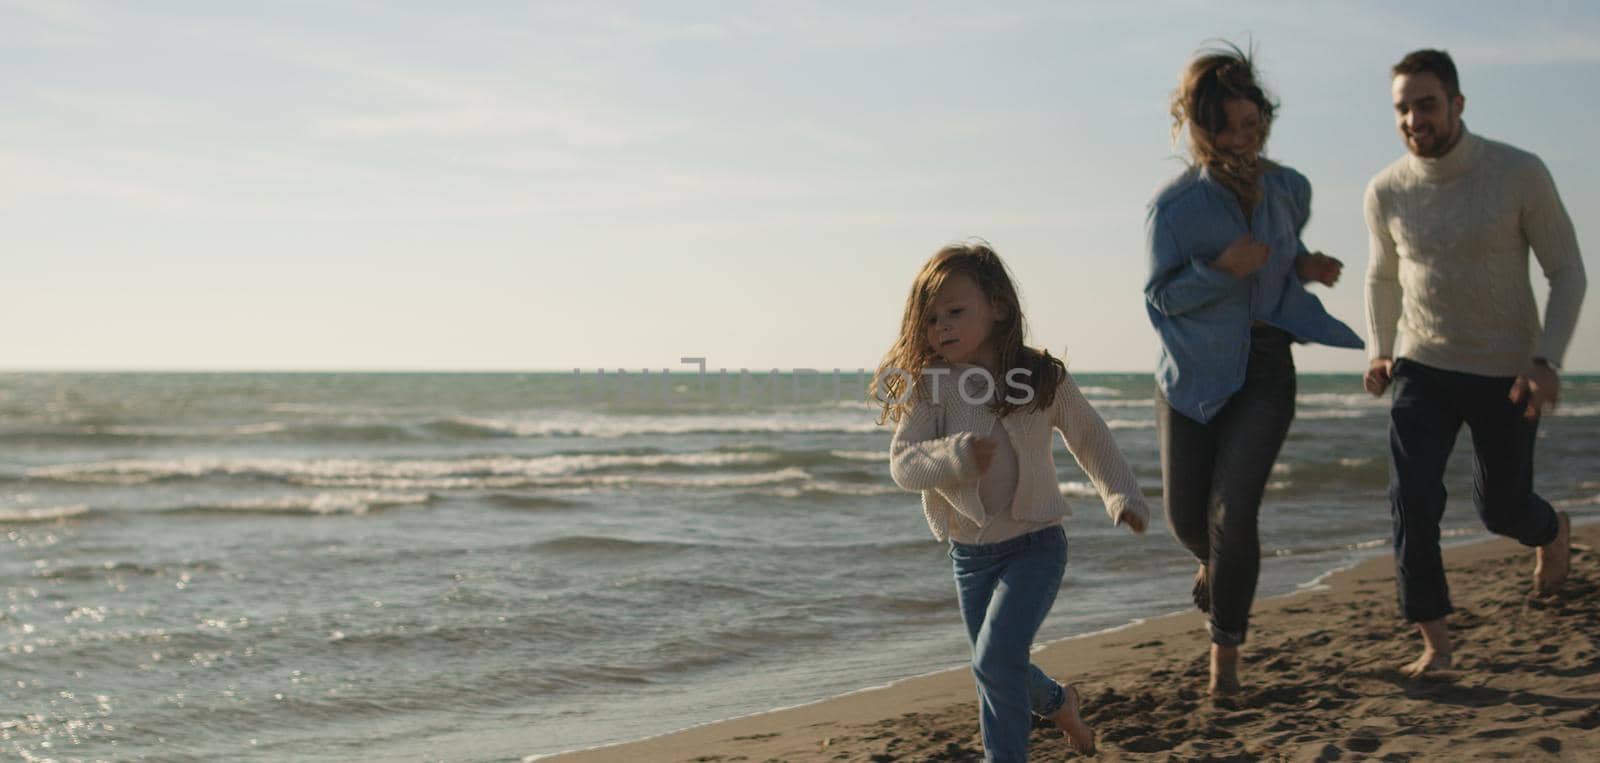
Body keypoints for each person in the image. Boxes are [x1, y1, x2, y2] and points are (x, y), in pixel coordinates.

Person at [1144, 42, 1363, 696]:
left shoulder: (1290, 188)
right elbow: (1160, 296)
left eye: (1255, 124)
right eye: (1232, 127)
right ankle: (1219, 567)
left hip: (1267, 365)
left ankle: (1226, 656)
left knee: (1234, 514)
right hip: (1191, 373)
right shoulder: (1175, 208)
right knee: (1191, 522)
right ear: (1200, 127)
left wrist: (1305, 266)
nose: (1246, 138)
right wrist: (1220, 271)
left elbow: (1279, 258)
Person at [875, 241, 1148, 761]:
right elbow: (903, 463)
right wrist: (954, 457)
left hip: (1036, 546)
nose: (942, 327)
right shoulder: (931, 388)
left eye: (955, 312)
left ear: (998, 306)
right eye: (931, 318)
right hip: (970, 558)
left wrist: (1121, 494)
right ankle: (1058, 701)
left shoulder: (1041, 377)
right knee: (997, 665)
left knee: (995, 661)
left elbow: (1088, 435)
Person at [1362, 48, 1583, 677]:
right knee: (1411, 499)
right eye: (1402, 108)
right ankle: (1435, 642)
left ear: (1457, 104)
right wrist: (1381, 348)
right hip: (1422, 363)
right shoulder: (1385, 190)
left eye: (1425, 104)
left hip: (1507, 369)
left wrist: (1547, 361)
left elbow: (1567, 271)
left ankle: (1551, 530)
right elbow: (1381, 276)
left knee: (1502, 509)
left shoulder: (1519, 173)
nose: (1413, 119)